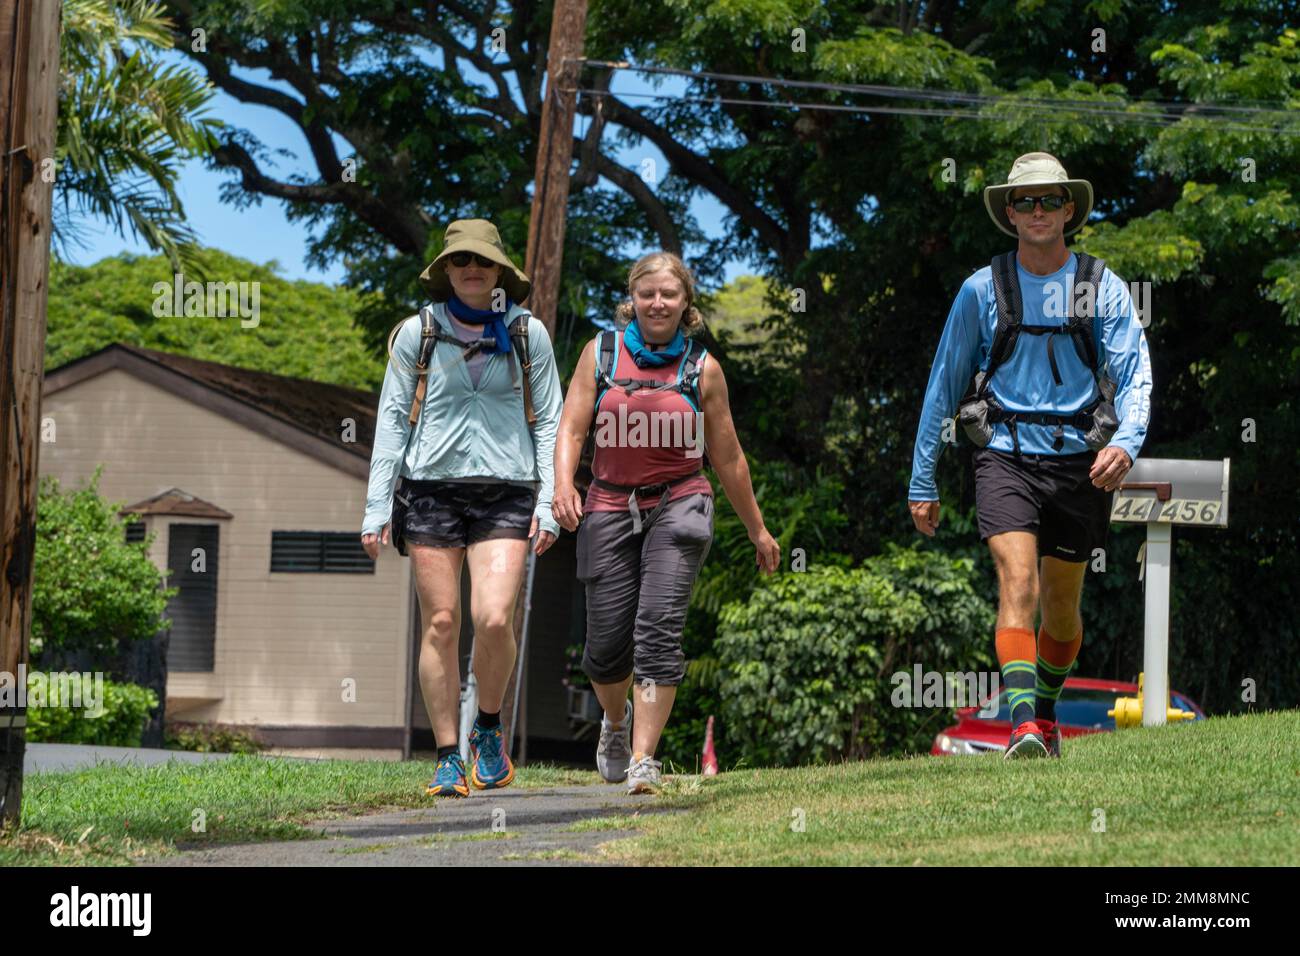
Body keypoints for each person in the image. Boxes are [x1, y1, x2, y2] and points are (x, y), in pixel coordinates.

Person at [907, 152, 1152, 759]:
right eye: (1024, 201)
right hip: (1004, 457)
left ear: (1069, 208)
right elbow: (944, 383)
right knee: (1018, 581)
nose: (1037, 211)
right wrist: (922, 479)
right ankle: (1021, 727)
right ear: (1009, 213)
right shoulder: (980, 289)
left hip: (1079, 463)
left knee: (1063, 611)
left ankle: (1043, 712)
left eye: (1049, 200)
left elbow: (1135, 373)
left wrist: (1125, 442)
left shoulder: (1104, 286)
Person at [553, 251, 781, 793]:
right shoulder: (599, 354)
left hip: (681, 502)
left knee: (657, 630)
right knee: (605, 647)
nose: (658, 303)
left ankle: (642, 760)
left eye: (669, 294)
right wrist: (563, 484)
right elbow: (571, 429)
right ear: (631, 300)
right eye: (648, 293)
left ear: (686, 304)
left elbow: (727, 457)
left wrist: (758, 529)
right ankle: (614, 722)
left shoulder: (703, 370)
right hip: (608, 503)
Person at [361, 219, 563, 795]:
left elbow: (548, 423)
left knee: (494, 618)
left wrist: (548, 503)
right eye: (460, 261)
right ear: (446, 271)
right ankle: (448, 754)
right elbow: (393, 422)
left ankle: (489, 731)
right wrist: (377, 508)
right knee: (442, 623)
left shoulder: (528, 334)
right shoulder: (415, 334)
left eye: (483, 261)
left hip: (506, 489)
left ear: (500, 271)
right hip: (430, 491)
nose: (471, 269)